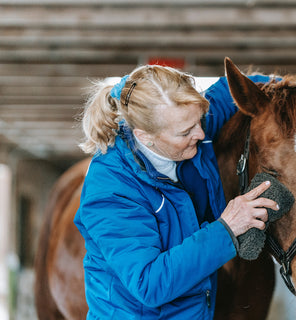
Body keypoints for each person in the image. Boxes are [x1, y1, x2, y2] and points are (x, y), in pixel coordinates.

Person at [73, 64, 279, 319]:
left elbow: (244, 86)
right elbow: (149, 283)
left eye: (199, 121)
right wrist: (227, 229)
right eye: (186, 132)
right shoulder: (110, 189)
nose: (202, 133)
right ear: (145, 136)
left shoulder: (187, 121)